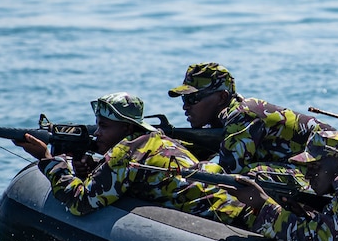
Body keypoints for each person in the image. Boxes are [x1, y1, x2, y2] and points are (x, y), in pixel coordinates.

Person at [20, 92, 251, 227]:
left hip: (222, 219)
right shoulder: (156, 140)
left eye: (105, 126)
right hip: (236, 209)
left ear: (128, 127)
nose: (97, 133)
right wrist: (93, 170)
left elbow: (80, 203)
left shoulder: (125, 151)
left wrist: (48, 159)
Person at [169, 63, 332, 177]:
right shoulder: (228, 116)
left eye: (193, 99)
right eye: (184, 99)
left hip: (328, 168)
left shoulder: (242, 115)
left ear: (221, 97)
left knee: (251, 175)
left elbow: (228, 173)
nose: (185, 106)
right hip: (314, 169)